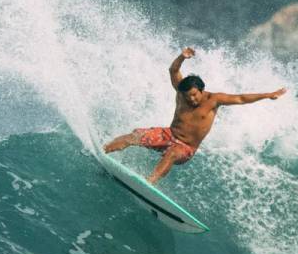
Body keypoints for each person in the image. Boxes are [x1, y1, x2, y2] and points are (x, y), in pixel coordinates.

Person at [103, 47, 286, 184]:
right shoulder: (181, 92)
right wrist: (182, 57)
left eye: (194, 94)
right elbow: (173, 71)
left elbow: (240, 98)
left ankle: (148, 183)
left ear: (201, 90)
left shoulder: (213, 100)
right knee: (135, 136)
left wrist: (268, 94)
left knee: (173, 152)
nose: (191, 98)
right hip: (168, 134)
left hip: (185, 148)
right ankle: (103, 151)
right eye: (188, 95)